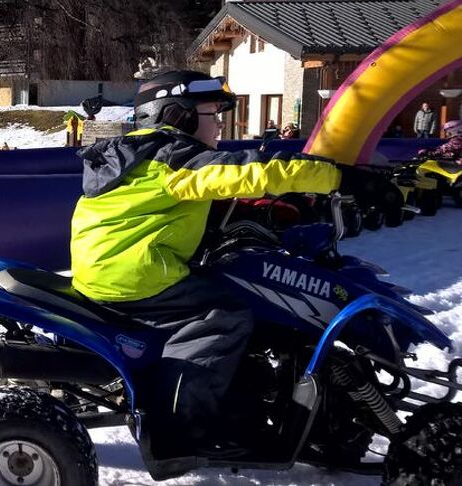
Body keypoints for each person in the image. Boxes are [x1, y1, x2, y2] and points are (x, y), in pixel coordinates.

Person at [70, 70, 392, 456]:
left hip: (113, 266)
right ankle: (183, 425)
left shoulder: (137, 155)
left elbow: (193, 205)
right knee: (223, 316)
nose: (220, 123)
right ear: (177, 115)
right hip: (134, 275)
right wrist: (341, 178)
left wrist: (291, 208)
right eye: (212, 113)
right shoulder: (177, 159)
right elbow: (253, 171)